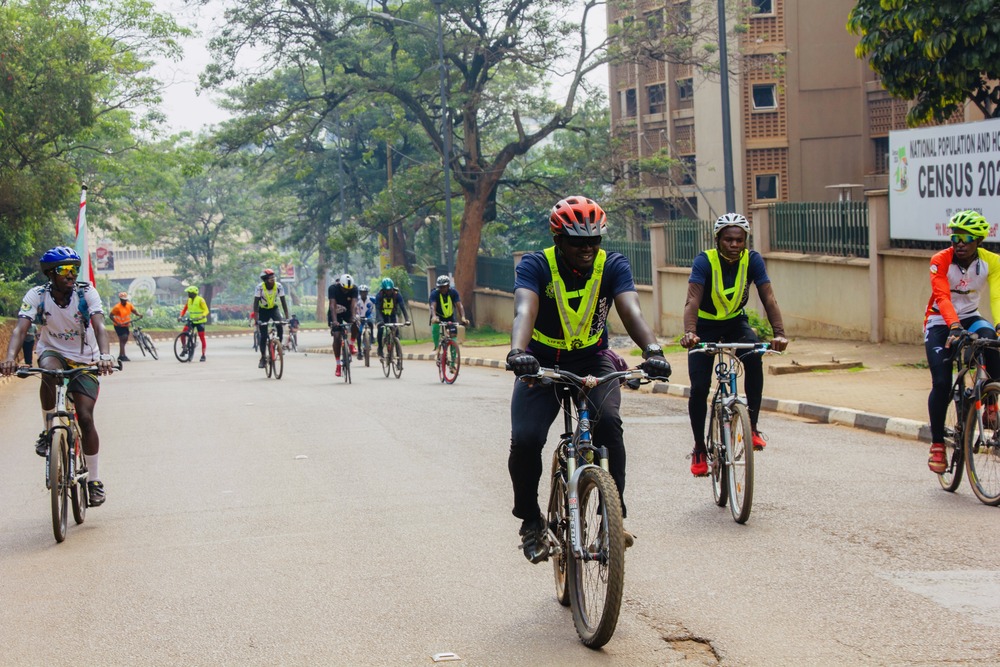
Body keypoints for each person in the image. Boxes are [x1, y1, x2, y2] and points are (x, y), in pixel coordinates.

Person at [506, 196, 671, 563]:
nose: (587, 247)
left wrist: (654, 351)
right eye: (578, 240)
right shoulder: (536, 265)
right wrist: (519, 351)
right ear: (558, 238)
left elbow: (631, 308)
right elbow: (524, 308)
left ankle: (614, 518)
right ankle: (530, 521)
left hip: (593, 361)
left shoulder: (612, 264)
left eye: (594, 240)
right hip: (541, 363)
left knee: (609, 423)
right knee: (527, 439)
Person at [1, 247, 115, 506]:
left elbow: (99, 324)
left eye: (74, 269)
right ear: (51, 274)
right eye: (65, 270)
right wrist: (10, 358)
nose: (71, 274)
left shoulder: (87, 293)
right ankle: (47, 430)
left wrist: (105, 355)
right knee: (48, 371)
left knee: (85, 418)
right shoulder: (37, 295)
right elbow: (21, 329)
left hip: (86, 358)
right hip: (52, 351)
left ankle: (94, 481)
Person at [679, 213, 788, 477]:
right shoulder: (704, 261)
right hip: (703, 327)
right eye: (728, 239)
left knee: (753, 358)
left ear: (745, 241)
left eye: (739, 240)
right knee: (699, 387)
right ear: (717, 240)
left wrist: (779, 333)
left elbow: (768, 297)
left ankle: (753, 428)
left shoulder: (753, 260)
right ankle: (699, 448)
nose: (734, 244)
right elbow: (692, 300)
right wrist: (690, 333)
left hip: (735, 323)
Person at [924, 210, 1000, 473]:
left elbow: (997, 297)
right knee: (943, 382)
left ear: (979, 240)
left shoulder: (992, 262)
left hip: (970, 317)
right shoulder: (940, 260)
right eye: (955, 236)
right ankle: (936, 445)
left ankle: (991, 403)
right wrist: (953, 326)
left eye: (966, 237)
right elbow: (942, 296)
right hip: (940, 321)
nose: (959, 242)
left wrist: (999, 323)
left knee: (992, 341)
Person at [254, 268, 290, 368]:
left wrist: (286, 318)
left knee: (280, 325)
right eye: (271, 279)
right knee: (263, 335)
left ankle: (279, 346)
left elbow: (283, 302)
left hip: (274, 309)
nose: (273, 280)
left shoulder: (279, 286)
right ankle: (263, 357)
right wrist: (257, 320)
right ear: (265, 280)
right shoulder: (259, 288)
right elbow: (255, 305)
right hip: (263, 311)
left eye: (274, 278)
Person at [328, 273, 358, 377]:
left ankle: (351, 344)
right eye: (344, 289)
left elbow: (354, 305)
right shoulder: (333, 289)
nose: (346, 291)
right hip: (335, 313)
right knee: (337, 337)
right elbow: (332, 306)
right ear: (340, 285)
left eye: (348, 290)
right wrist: (335, 321)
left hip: (347, 312)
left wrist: (354, 317)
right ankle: (338, 365)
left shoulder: (354, 289)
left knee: (356, 323)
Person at [429, 274, 469, 350]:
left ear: (448, 286)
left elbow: (459, 305)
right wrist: (434, 317)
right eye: (440, 287)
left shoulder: (453, 293)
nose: (442, 289)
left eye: (444, 287)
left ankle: (453, 360)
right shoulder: (434, 294)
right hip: (438, 317)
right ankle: (437, 347)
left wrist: (463, 317)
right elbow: (432, 306)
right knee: (435, 328)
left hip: (450, 317)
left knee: (453, 336)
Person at [374, 277, 410, 359]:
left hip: (392, 316)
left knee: (396, 332)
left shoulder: (397, 295)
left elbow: (402, 307)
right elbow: (378, 309)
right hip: (382, 316)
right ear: (383, 290)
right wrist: (380, 320)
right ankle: (380, 348)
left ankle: (398, 353)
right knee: (380, 330)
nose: (389, 292)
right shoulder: (379, 296)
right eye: (386, 290)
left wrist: (407, 319)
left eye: (390, 290)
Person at [178, 285, 209, 362]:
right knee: (183, 333)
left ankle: (203, 355)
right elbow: (184, 309)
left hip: (200, 322)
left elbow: (206, 310)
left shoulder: (201, 300)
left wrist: (202, 316)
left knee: (202, 338)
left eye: (189, 293)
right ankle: (184, 348)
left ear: (194, 293)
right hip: (191, 321)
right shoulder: (189, 300)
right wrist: (180, 316)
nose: (188, 294)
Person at [109, 291, 142, 361]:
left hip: (126, 325)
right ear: (120, 300)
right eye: (123, 300)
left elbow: (134, 311)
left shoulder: (129, 305)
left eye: (125, 300)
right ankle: (122, 355)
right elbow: (111, 315)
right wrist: (117, 322)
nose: (124, 301)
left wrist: (138, 314)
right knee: (123, 338)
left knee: (124, 340)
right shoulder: (117, 307)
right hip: (119, 326)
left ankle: (121, 355)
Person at [354, 284, 375, 360]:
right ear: (360, 293)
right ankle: (359, 351)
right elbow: (353, 307)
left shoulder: (371, 299)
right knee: (358, 333)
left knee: (371, 323)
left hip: (368, 316)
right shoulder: (357, 300)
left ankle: (372, 337)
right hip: (360, 317)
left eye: (365, 292)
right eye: (362, 292)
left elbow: (379, 302)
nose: (363, 294)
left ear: (367, 293)